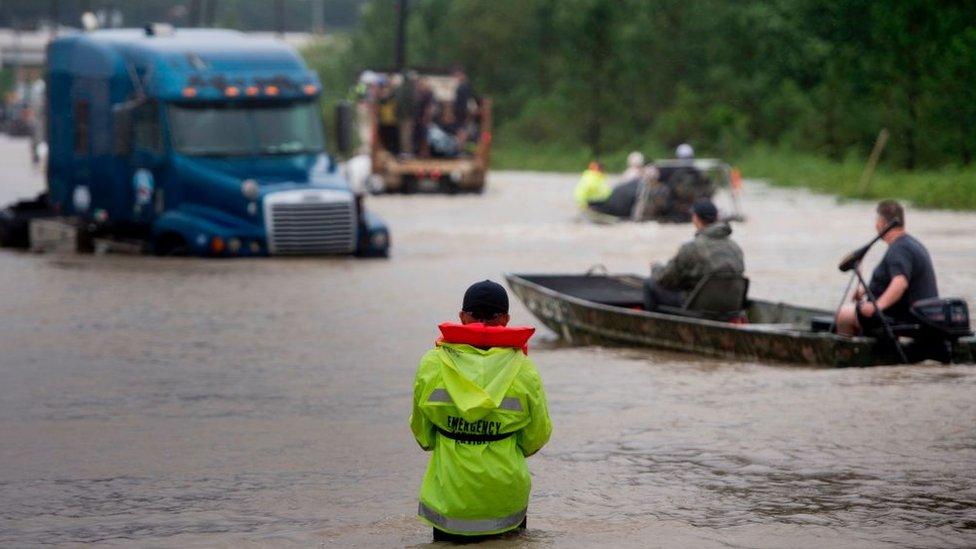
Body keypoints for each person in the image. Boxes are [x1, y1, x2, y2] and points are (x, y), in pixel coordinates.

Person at [411, 280, 552, 542]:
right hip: (505, 497)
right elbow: (536, 436)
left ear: (463, 317)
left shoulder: (432, 363)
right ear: (506, 320)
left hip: (449, 498)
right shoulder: (524, 369)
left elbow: (423, 435)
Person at [835, 200, 939, 336]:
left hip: (907, 320)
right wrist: (867, 292)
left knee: (844, 314)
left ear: (881, 222)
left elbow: (900, 282)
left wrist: (876, 306)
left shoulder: (899, 249)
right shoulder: (912, 244)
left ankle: (848, 354)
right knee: (854, 311)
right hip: (918, 316)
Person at [644, 199, 744, 310]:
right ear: (716, 218)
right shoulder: (735, 247)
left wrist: (655, 268)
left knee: (650, 284)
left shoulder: (691, 248)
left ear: (695, 218)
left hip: (699, 305)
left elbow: (665, 279)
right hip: (732, 305)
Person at [396, 71, 417, 157]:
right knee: (407, 135)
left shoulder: (400, 88)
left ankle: (404, 152)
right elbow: (413, 103)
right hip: (408, 116)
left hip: (401, 115)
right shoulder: (410, 89)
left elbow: (398, 102)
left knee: (403, 135)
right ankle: (407, 153)